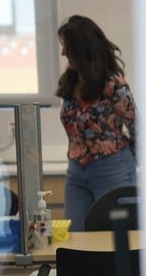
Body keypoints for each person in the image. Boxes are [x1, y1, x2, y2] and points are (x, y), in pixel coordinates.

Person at [56, 15, 137, 231]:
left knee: (114, 238)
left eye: (67, 47)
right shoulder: (70, 82)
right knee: (75, 237)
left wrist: (128, 163)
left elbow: (136, 126)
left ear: (81, 49)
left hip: (112, 169)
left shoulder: (113, 85)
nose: (63, 53)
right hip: (76, 172)